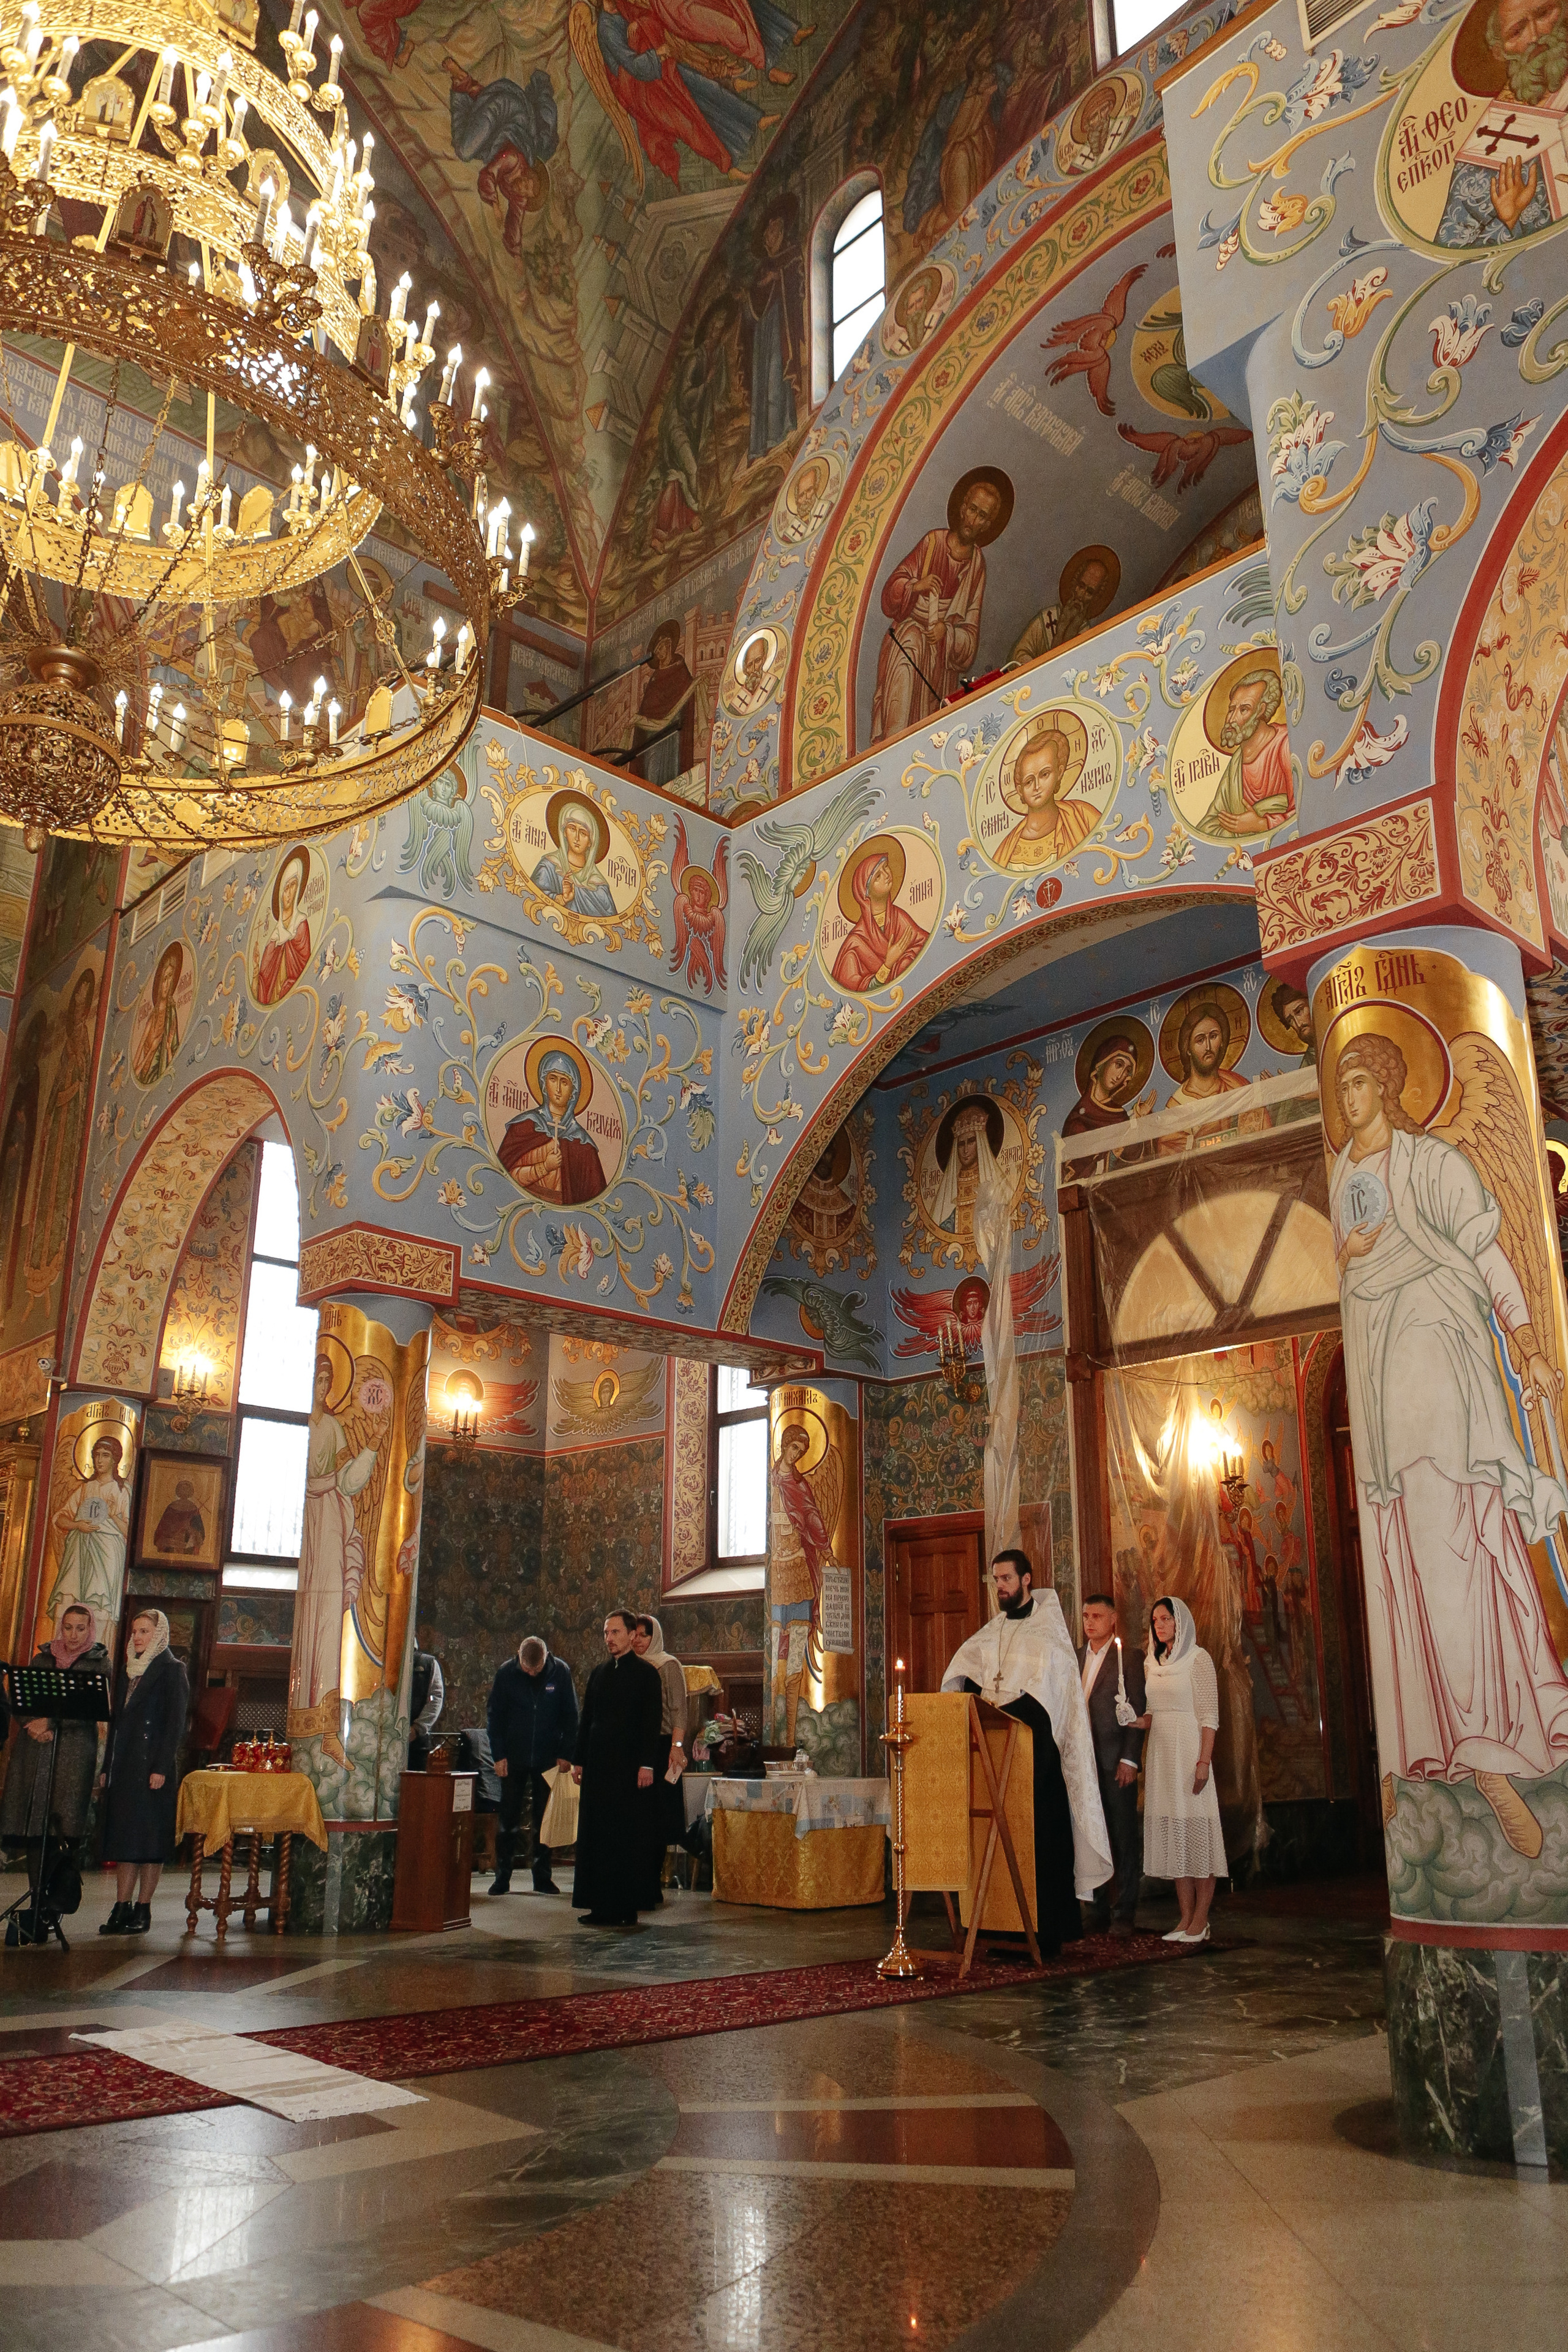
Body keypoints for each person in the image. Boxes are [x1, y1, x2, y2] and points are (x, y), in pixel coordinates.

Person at [941, 1551, 1112, 1954]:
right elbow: (961, 1673)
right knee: (999, 1842)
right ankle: (1003, 1930)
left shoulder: (1048, 1633)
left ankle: (1045, 1932)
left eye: (1006, 1578)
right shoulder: (993, 1630)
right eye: (995, 1579)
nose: (999, 1585)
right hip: (996, 1751)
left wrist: (998, 1711)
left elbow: (1047, 1696)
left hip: (1038, 1758)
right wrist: (975, 1702)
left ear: (1027, 1579)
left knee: (1041, 1842)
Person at [1, 1604, 109, 1936]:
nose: (73, 1635)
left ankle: (52, 1906)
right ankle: (36, 1902)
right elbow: (20, 1701)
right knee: (34, 1826)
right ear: (60, 1628)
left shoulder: (98, 1662)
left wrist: (53, 1721)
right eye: (68, 1628)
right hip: (35, 1750)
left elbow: (93, 1710)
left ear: (89, 1629)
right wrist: (32, 1724)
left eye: (80, 1628)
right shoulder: (42, 1658)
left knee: (60, 1827)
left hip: (73, 1754)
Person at [1135, 1595, 1226, 1945]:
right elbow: (1152, 1714)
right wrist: (1133, 1720)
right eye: (1155, 1620)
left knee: (1198, 1829)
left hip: (1189, 1750)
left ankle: (1202, 1919)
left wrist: (1204, 1762)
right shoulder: (1152, 1662)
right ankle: (1185, 1916)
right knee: (1175, 1832)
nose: (1159, 1625)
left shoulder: (1198, 1659)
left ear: (1180, 1622)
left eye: (1166, 1619)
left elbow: (1209, 1717)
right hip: (1161, 1753)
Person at [98, 1610, 189, 1936]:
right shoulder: (126, 1670)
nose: (137, 1637)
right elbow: (116, 1724)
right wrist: (107, 1767)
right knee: (125, 1839)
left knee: (150, 1841)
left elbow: (175, 1725)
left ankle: (143, 1909)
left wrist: (162, 1767)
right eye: (135, 1631)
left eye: (145, 1631)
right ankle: (121, 1906)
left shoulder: (172, 1670)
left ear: (159, 1634)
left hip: (154, 1767)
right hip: (125, 1764)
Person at [571, 1610, 663, 1928]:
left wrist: (647, 1764)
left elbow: (650, 1724)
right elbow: (588, 1720)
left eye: (615, 1632)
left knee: (624, 1837)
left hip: (628, 1770)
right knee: (597, 1836)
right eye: (605, 1633)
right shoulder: (598, 1673)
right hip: (598, 1768)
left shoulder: (646, 1674)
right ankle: (599, 1906)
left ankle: (625, 1909)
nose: (609, 1638)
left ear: (631, 1635)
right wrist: (579, 1759)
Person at [487, 1634, 579, 1894]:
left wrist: (565, 1753)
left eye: (535, 1670)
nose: (530, 1673)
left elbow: (571, 1716)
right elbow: (494, 1717)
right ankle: (502, 1878)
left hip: (548, 1757)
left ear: (546, 1658)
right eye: (525, 1668)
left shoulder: (560, 1672)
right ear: (518, 1656)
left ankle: (542, 1877)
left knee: (544, 1820)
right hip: (512, 1758)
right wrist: (498, 1755)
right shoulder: (506, 1673)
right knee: (508, 1820)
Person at [1079, 1593, 1146, 1938]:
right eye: (1086, 1616)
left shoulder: (1129, 1659)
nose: (1090, 1622)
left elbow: (1135, 1711)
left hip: (1115, 1759)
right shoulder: (1076, 1658)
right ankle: (1098, 1908)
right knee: (1093, 1837)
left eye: (1097, 1616)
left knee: (1122, 1836)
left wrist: (1130, 1758)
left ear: (1113, 1619)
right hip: (1083, 1764)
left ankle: (1126, 1911)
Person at [633, 1615, 688, 1902]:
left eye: (643, 1636)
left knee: (656, 1818)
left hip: (663, 1745)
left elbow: (679, 1711)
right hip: (638, 1746)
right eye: (636, 1635)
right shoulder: (631, 1666)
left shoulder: (668, 1666)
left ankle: (652, 1883)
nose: (637, 1641)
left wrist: (677, 1746)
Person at [993, 725, 1098, 872]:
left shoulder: (1083, 817)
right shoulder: (1008, 849)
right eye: (1029, 781)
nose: (1037, 786)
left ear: (1059, 773)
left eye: (1044, 775)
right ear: (1020, 790)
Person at [408, 1640, 445, 1771]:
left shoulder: (428, 1664)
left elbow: (435, 1699)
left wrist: (417, 1729)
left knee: (415, 1786)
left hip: (417, 1742)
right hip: (384, 1739)